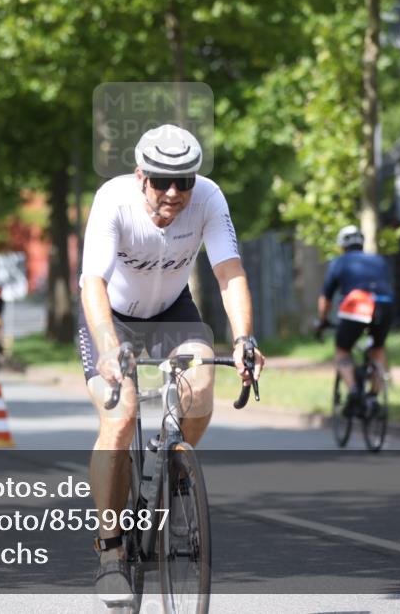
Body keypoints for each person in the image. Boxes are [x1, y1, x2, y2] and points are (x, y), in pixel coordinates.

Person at [78, 123, 265, 605]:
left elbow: (229, 273)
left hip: (172, 311)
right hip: (111, 316)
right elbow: (92, 283)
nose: (173, 192)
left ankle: (171, 476)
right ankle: (111, 549)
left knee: (201, 387)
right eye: (162, 180)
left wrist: (244, 338)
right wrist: (105, 346)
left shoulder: (208, 198)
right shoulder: (112, 199)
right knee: (119, 421)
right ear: (140, 176)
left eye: (184, 181)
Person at [316, 225, 394, 418]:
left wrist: (322, 321)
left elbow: (325, 298)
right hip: (386, 305)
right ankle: (374, 396)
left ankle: (352, 391)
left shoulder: (339, 262)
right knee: (378, 347)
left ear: (342, 246)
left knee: (342, 349)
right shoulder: (378, 260)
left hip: (359, 306)